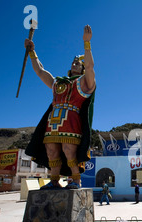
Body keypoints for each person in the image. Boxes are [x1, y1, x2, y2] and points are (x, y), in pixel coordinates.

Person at [25, 25, 96, 189]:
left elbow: (91, 67)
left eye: (79, 63)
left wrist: (87, 43)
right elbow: (40, 71)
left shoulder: (85, 83)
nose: (75, 64)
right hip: (54, 120)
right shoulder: (59, 83)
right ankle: (54, 180)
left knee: (69, 150)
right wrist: (32, 53)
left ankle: (76, 179)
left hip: (71, 119)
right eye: (74, 62)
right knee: (51, 151)